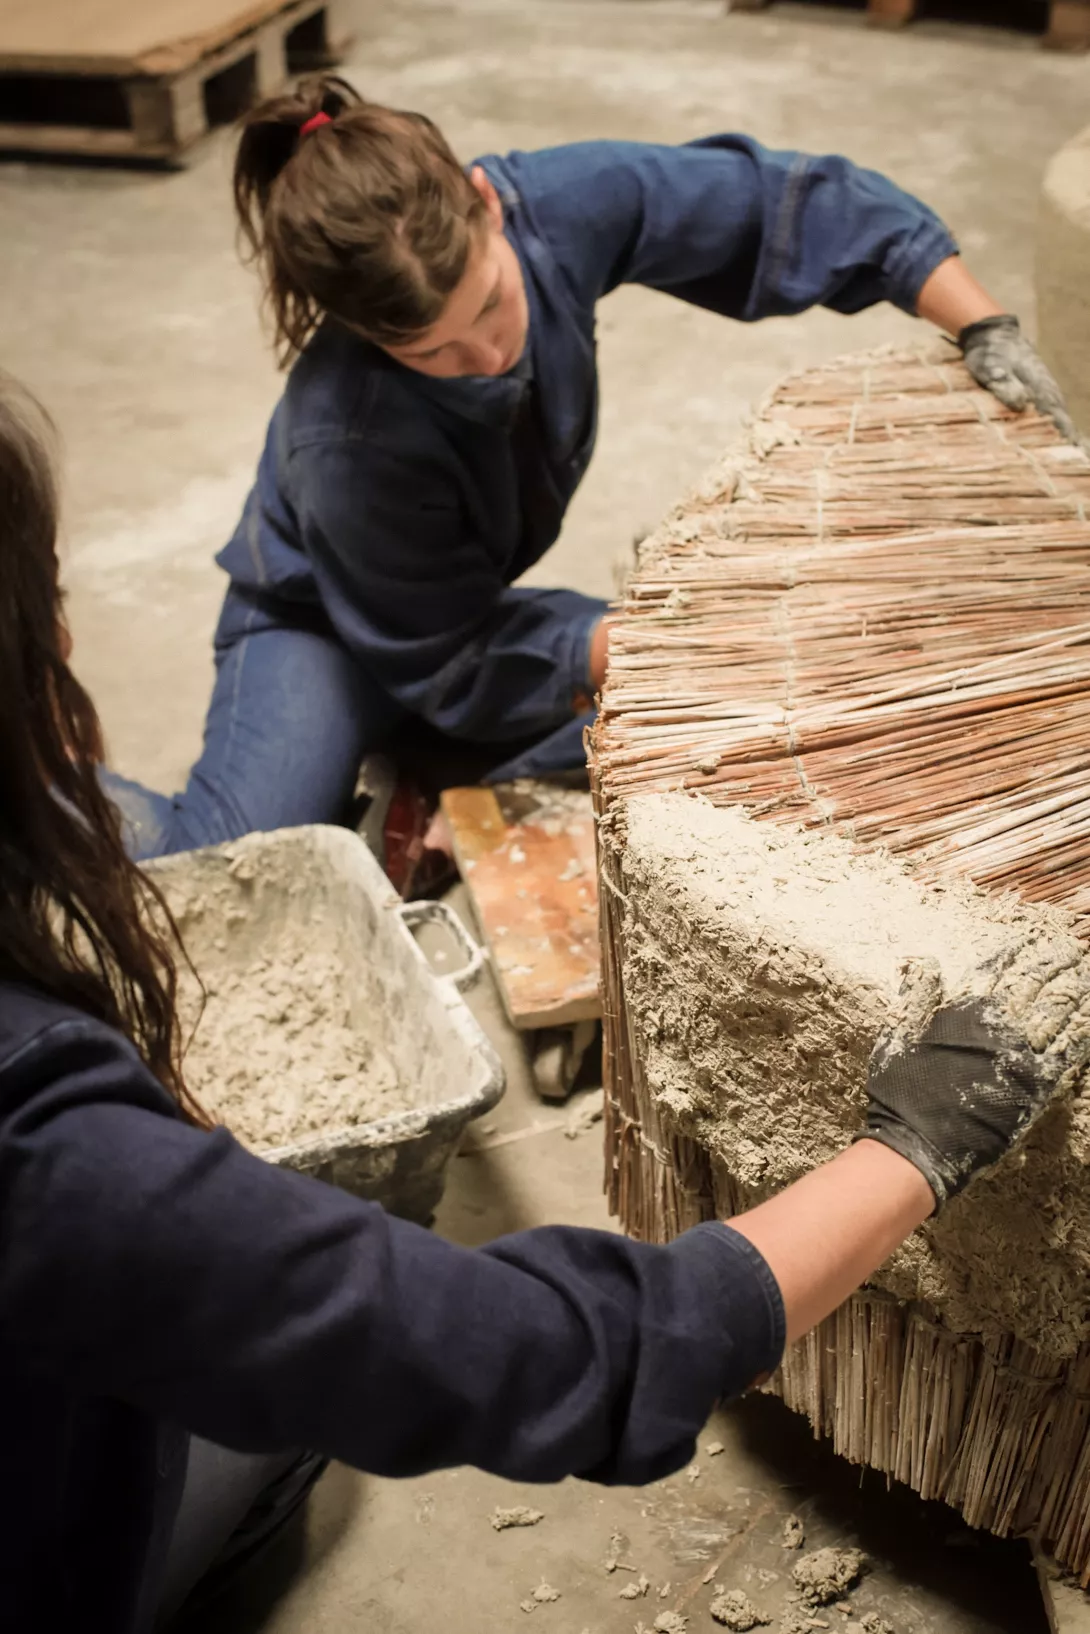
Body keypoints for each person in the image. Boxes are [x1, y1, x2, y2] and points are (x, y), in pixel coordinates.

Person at [0, 373, 1070, 1631]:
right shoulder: (58, 1159)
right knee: (274, 1418)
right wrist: (913, 1147)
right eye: (52, 601)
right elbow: (562, 1352)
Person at [102, 77, 1078, 862]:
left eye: (491, 304)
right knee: (227, 867)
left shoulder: (554, 208)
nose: (486, 355)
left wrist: (976, 319)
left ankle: (420, 775)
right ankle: (49, 795)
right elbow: (445, 655)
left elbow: (769, 204)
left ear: (489, 205)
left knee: (711, 719)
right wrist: (661, 641)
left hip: (456, 608)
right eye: (433, 351)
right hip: (325, 628)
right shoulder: (345, 437)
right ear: (363, 331)